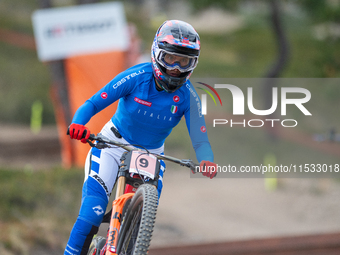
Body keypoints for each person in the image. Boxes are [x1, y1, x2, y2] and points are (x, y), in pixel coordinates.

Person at [65, 20, 217, 255]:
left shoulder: (189, 97)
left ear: (192, 64)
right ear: (157, 53)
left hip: (152, 154)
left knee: (139, 226)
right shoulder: (136, 76)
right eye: (170, 58)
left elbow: (200, 138)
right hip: (112, 144)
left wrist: (206, 159)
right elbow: (94, 103)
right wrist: (78, 124)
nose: (176, 67)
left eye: (184, 61)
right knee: (92, 212)